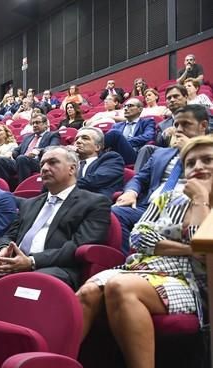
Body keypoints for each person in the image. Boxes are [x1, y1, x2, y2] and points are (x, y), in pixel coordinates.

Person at [77, 135, 213, 368]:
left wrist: (201, 200)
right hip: (142, 267)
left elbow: (204, 248)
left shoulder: (203, 199)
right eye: (191, 163)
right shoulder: (166, 194)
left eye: (207, 160)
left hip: (189, 280)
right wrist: (188, 249)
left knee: (119, 286)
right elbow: (139, 237)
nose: (198, 167)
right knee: (87, 292)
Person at [0, 147, 112, 305]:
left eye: (52, 162)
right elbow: (9, 235)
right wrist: (2, 250)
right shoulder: (30, 203)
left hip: (55, 266)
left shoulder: (95, 203)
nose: (44, 168)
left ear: (72, 168)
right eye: (42, 164)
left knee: (33, 279)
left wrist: (31, 261)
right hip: (15, 260)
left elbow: (77, 246)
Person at [112, 105, 210, 254]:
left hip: (188, 209)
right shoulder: (160, 154)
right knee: (113, 213)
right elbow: (139, 178)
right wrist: (131, 192)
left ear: (203, 125)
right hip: (150, 207)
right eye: (176, 124)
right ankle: (126, 259)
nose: (179, 129)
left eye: (186, 124)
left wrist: (187, 150)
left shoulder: (208, 154)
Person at [0, 114, 61, 187]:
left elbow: (52, 149)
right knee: (1, 161)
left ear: (45, 124)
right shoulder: (27, 137)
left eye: (38, 122)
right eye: (33, 123)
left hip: (39, 162)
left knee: (22, 158)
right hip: (21, 161)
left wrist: (38, 151)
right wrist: (13, 153)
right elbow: (17, 150)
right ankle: (3, 189)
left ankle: (22, 188)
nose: (35, 125)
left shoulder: (52, 135)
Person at [73, 127, 125, 198]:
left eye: (85, 138)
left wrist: (64, 184)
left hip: (93, 203)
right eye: (76, 139)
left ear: (97, 147)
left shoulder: (111, 158)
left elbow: (95, 180)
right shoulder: (71, 163)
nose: (78, 141)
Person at [105, 98, 156, 164]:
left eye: (130, 106)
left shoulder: (147, 122)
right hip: (115, 154)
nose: (126, 108)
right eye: (125, 106)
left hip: (135, 155)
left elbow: (149, 136)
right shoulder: (117, 125)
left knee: (115, 134)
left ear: (140, 109)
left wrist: (124, 142)